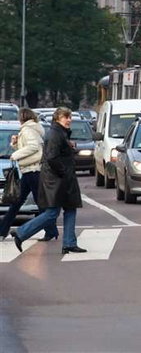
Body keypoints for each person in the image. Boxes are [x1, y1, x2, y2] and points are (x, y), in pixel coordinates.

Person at [12, 107, 86, 254]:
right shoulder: (55, 134)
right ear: (57, 118)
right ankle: (21, 233)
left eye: (69, 116)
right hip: (57, 180)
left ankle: (69, 242)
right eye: (66, 117)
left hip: (61, 178)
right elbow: (52, 157)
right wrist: (63, 172)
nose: (69, 119)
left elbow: (56, 154)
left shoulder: (59, 133)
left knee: (70, 209)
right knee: (52, 212)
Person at [0, 108, 58, 241]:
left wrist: (15, 154)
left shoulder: (28, 130)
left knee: (37, 203)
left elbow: (33, 147)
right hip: (29, 170)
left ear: (22, 117)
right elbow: (31, 147)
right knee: (19, 202)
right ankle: (3, 230)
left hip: (32, 170)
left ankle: (51, 230)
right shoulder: (32, 129)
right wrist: (15, 144)